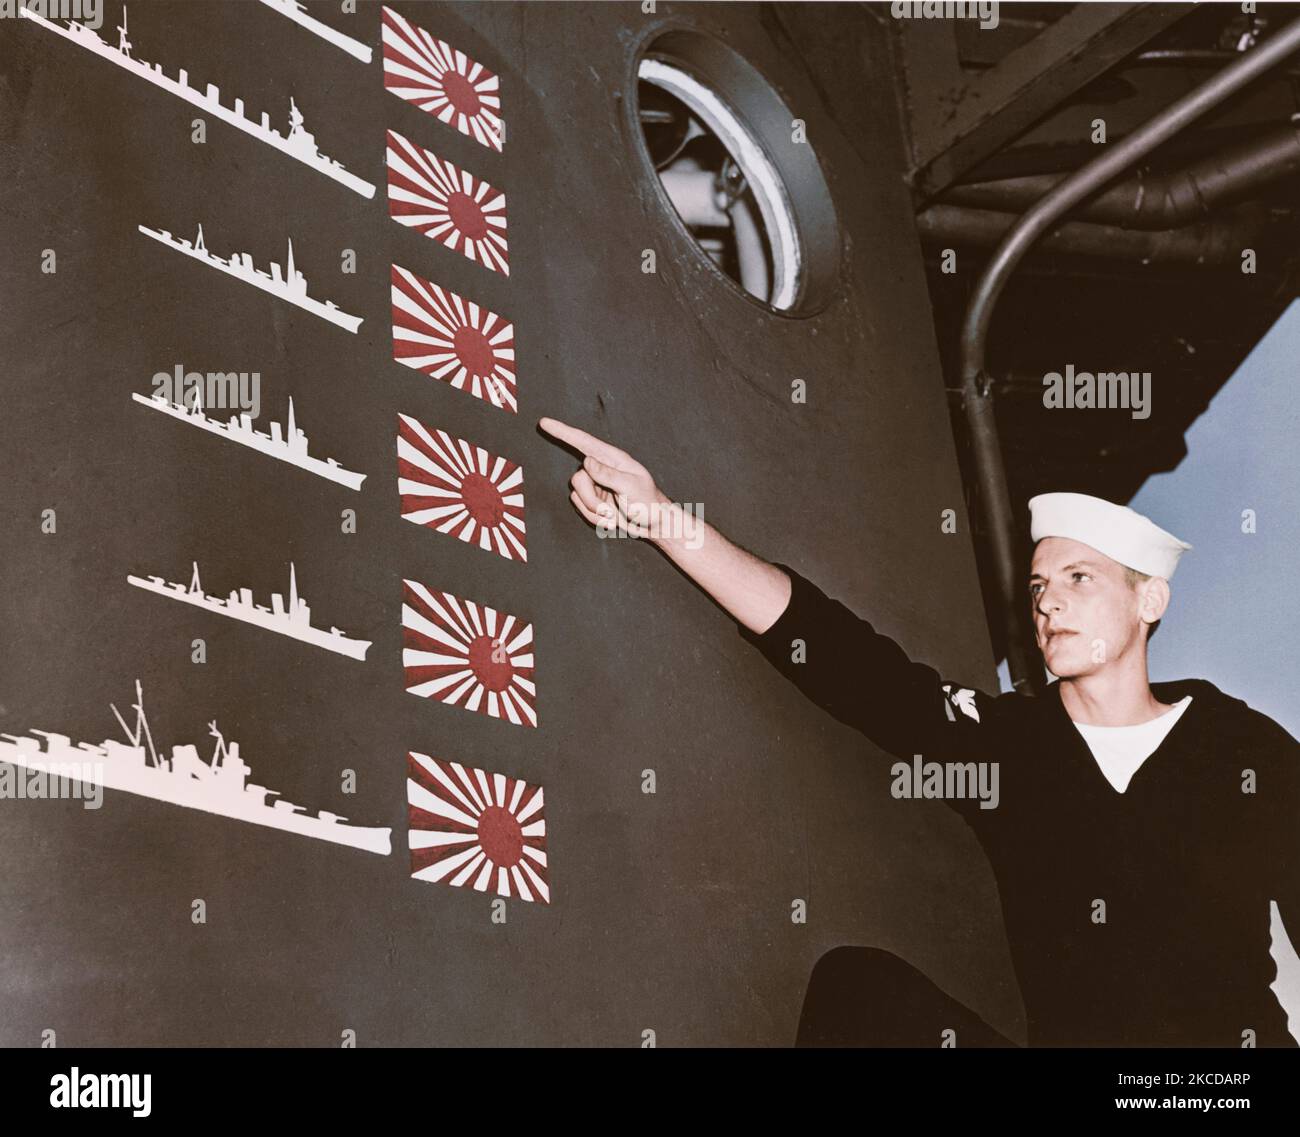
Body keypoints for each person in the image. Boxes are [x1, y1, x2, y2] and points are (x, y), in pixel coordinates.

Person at [539, 416, 1299, 1048]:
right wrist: (666, 518)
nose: (1048, 606)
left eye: (1078, 580)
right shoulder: (1012, 749)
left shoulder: (1247, 751)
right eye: (1037, 587)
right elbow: (848, 663)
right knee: (861, 992)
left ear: (1149, 601)